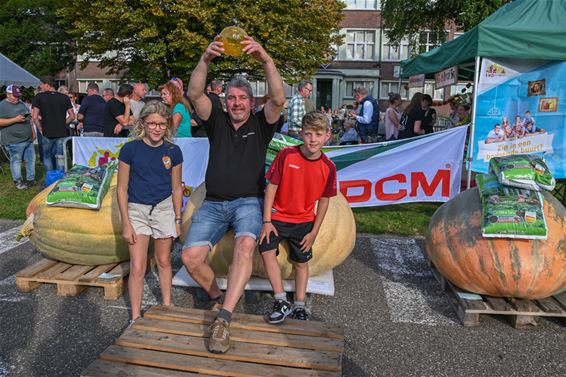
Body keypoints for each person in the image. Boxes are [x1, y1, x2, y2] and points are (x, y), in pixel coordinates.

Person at [182, 35, 285, 354]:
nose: (237, 103)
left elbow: (279, 99)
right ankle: (216, 298)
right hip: (213, 203)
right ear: (224, 101)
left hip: (248, 202)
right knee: (188, 258)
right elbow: (194, 92)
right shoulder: (216, 121)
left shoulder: (261, 122)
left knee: (244, 247)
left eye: (242, 98)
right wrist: (204, 59)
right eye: (231, 98)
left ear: (251, 102)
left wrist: (266, 60)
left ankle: (224, 318)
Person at [259, 111, 336, 323]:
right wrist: (266, 221)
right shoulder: (286, 156)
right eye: (309, 133)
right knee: (266, 250)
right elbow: (271, 187)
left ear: (327, 136)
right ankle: (281, 299)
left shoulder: (328, 167)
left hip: (303, 221)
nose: (313, 139)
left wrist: (314, 232)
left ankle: (300, 305)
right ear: (301, 133)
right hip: (277, 216)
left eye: (318, 134)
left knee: (301, 263)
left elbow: (325, 201)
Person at [116, 100, 183, 326]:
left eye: (162, 124)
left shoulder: (173, 151)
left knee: (164, 261)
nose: (157, 128)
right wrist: (126, 223)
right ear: (142, 123)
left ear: (168, 126)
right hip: (137, 210)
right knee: (138, 265)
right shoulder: (129, 150)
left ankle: (167, 305)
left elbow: (176, 188)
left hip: (163, 208)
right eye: (152, 123)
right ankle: (135, 316)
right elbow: (122, 188)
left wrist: (177, 218)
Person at [32, 76, 74, 171]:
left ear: (47, 85)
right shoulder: (64, 97)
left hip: (47, 132)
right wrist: (63, 124)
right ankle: (59, 179)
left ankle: (50, 179)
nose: (40, 87)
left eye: (41, 84)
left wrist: (40, 128)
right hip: (61, 132)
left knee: (47, 157)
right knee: (60, 157)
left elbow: (34, 116)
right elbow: (72, 116)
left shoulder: (39, 97)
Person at [0, 85, 35, 189]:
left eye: (18, 96)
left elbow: (28, 118)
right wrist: (15, 120)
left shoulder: (21, 103)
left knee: (31, 159)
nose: (17, 98)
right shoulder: (2, 105)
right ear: (8, 94)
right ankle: (18, 181)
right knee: (16, 161)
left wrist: (32, 131)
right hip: (13, 140)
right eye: (15, 96)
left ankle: (30, 180)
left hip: (28, 138)